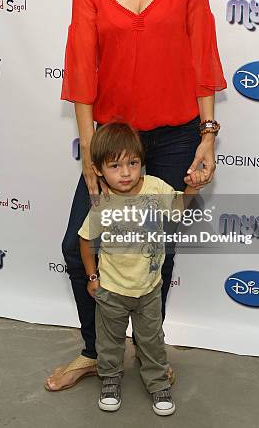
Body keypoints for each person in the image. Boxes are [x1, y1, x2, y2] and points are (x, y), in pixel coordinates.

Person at [45, 0, 226, 392]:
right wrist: (88, 155)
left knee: (154, 255)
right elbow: (82, 71)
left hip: (174, 141)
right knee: (75, 247)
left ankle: (148, 354)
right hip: (115, 144)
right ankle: (95, 351)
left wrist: (207, 137)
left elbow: (203, 63)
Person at [78, 121, 208, 415]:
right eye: (115, 166)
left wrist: (191, 185)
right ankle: (110, 379)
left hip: (149, 290)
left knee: (151, 342)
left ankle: (158, 382)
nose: (125, 173)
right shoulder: (103, 202)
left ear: (141, 162)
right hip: (111, 291)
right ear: (98, 169)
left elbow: (177, 210)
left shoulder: (155, 188)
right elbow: (85, 241)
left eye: (133, 163)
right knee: (109, 342)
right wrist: (92, 276)